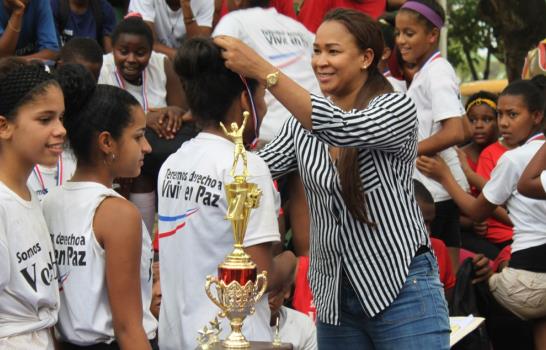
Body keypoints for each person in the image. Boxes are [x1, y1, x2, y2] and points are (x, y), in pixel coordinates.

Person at [214, 7, 450, 349]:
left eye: (333, 51)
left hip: (401, 287)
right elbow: (256, 170)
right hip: (335, 299)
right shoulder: (300, 125)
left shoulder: (396, 108)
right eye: (316, 50)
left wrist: (264, 70)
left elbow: (341, 128)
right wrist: (209, 146)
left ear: (367, 58)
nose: (320, 61)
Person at [158, 37, 295, 350]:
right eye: (262, 98)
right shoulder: (246, 166)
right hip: (229, 340)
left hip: (176, 338)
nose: (263, 107)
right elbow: (257, 279)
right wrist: (293, 262)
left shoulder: (173, 163)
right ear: (245, 102)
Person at [417, 78, 546, 347]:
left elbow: (477, 212)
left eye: (513, 114)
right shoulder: (532, 154)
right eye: (500, 114)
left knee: (471, 284)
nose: (504, 123)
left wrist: (445, 177)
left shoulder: (512, 158)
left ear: (537, 116)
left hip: (524, 276)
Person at [41, 64, 157, 349]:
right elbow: (128, 328)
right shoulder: (117, 214)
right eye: (138, 136)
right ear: (107, 142)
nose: (147, 148)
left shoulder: (49, 201)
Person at [99, 14, 189, 234]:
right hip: (122, 145)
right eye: (123, 51)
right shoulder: (103, 67)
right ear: (113, 48)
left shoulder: (162, 63)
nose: (131, 59)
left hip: (159, 146)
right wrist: (145, 119)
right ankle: (141, 239)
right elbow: (104, 117)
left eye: (140, 53)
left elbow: (180, 109)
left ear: (151, 51)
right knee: (140, 170)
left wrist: (172, 114)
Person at [395, 0, 468, 272]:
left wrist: (410, 151)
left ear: (432, 35)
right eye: (398, 33)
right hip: (431, 190)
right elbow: (466, 128)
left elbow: (456, 131)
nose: (401, 40)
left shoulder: (436, 73)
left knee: (439, 277)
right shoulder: (428, 72)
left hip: (435, 195)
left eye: (409, 33)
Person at [0, 64, 64, 349]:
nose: (60, 130)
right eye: (45, 119)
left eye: (61, 118)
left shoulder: (26, 192)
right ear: (4, 126)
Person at [128, 0, 214, 60]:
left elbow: (200, 49)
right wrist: (183, 58)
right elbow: (146, 43)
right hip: (152, 60)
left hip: (189, 67)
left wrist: (186, 6)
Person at [268, 274, 318, 350]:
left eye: (276, 291)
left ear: (287, 291)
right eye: (263, 292)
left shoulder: (304, 326)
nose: (270, 299)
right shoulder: (245, 322)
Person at [50, 0, 117, 52]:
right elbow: (52, 49)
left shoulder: (103, 8)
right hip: (64, 64)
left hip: (94, 65)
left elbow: (110, 54)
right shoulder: (55, 5)